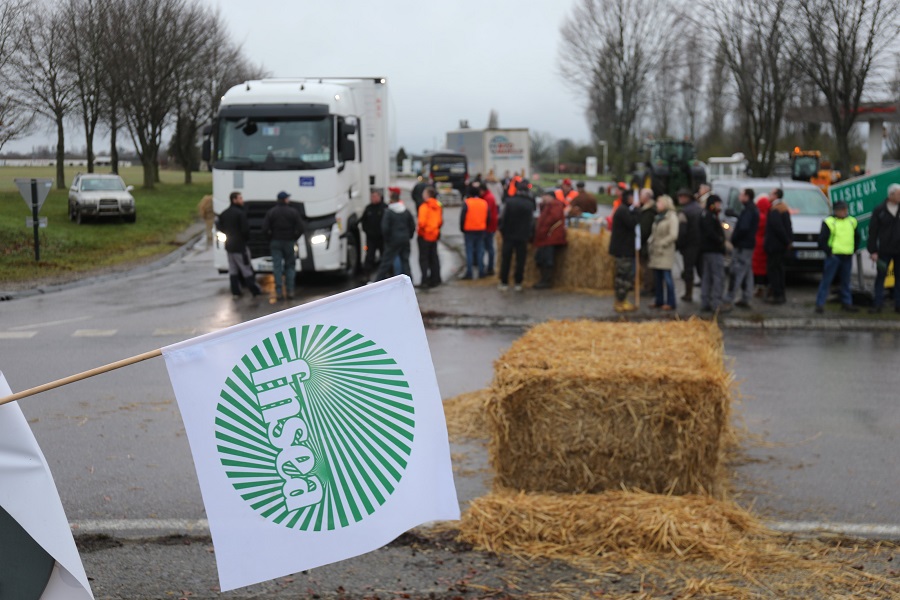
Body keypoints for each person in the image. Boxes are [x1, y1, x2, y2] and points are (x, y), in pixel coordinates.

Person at [815, 200, 859, 313]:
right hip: (834, 256)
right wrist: (829, 252)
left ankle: (847, 303)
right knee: (827, 280)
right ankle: (820, 304)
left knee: (846, 281)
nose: (845, 212)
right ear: (836, 211)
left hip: (847, 255)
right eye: (842, 210)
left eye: (845, 209)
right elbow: (822, 240)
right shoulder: (829, 222)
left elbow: (857, 237)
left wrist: (853, 250)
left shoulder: (852, 221)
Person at [217, 191, 262, 300]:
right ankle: (254, 290)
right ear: (234, 200)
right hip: (240, 246)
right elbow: (245, 230)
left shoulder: (224, 213)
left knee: (233, 269)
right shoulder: (240, 214)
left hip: (229, 246)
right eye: (240, 198)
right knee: (246, 268)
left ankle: (235, 291)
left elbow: (219, 226)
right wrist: (244, 239)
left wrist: (228, 233)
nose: (242, 200)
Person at [866, 183, 900, 313]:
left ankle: (898, 305)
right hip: (883, 251)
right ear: (891, 195)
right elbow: (873, 232)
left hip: (899, 251)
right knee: (881, 277)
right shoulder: (879, 210)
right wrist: (873, 250)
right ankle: (877, 304)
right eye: (898, 194)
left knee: (899, 278)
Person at [723, 188, 760, 309]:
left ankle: (729, 298)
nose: (739, 197)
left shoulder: (749, 210)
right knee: (747, 272)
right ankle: (746, 297)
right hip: (748, 245)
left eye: (741, 195)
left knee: (736, 271)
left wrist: (735, 239)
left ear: (747, 196)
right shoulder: (751, 209)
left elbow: (744, 228)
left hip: (743, 246)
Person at [263, 191, 302, 301]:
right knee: (290, 266)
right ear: (285, 200)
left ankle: (279, 291)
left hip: (275, 241)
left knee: (277, 266)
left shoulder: (271, 212)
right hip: (289, 241)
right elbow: (301, 228)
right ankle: (290, 290)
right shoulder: (293, 212)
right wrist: (294, 237)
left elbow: (265, 229)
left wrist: (270, 239)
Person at [497, 181, 535, 292]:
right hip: (523, 236)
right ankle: (518, 283)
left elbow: (502, 219)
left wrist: (503, 232)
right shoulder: (530, 204)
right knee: (521, 260)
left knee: (506, 260)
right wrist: (529, 234)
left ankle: (504, 282)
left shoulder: (509, 202)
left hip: (509, 235)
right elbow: (531, 222)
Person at [374, 188, 416, 280]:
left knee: (386, 262)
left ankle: (377, 282)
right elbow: (412, 225)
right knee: (405, 262)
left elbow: (385, 228)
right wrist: (409, 235)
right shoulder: (405, 211)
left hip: (393, 240)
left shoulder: (389, 212)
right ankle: (409, 282)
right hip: (405, 239)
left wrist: (387, 239)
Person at [647, 194, 679, 310]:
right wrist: (651, 240)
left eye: (659, 202)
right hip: (656, 250)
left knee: (667, 278)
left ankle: (671, 302)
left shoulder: (672, 217)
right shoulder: (658, 217)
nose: (657, 205)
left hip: (665, 251)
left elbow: (673, 235)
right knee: (657, 278)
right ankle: (659, 300)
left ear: (665, 204)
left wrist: (662, 243)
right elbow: (654, 232)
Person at [608, 189, 637, 311]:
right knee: (623, 276)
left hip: (623, 248)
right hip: (623, 249)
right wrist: (637, 210)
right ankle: (620, 301)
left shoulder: (623, 209)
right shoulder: (623, 210)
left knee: (624, 275)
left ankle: (621, 299)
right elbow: (632, 223)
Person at [533, 189, 567, 289]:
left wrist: (541, 232)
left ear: (549, 197)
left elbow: (549, 220)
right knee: (541, 258)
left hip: (550, 236)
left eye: (544, 196)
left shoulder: (555, 205)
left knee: (547, 259)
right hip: (547, 236)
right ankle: (543, 279)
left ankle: (546, 281)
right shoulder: (549, 206)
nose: (542, 198)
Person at [699, 195, 728, 312]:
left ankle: (705, 301)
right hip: (714, 251)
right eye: (718, 204)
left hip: (706, 251)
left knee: (707, 277)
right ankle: (717, 303)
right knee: (718, 277)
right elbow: (710, 233)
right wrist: (720, 240)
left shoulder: (706, 215)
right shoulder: (709, 216)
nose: (719, 206)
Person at [764, 188, 792, 304]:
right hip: (781, 246)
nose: (769, 196)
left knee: (774, 270)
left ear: (775, 196)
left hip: (775, 246)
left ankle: (777, 294)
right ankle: (780, 294)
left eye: (771, 194)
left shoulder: (775, 209)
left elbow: (778, 228)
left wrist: (786, 241)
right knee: (780, 270)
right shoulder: (783, 207)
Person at [676, 188, 702, 302]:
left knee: (688, 270)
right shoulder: (699, 208)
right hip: (700, 244)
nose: (680, 199)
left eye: (682, 197)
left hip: (689, 245)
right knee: (702, 269)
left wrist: (678, 245)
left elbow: (682, 231)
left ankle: (688, 294)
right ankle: (706, 292)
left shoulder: (684, 212)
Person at [459, 185, 488, 279]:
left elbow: (462, 217)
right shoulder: (484, 203)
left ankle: (469, 272)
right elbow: (488, 217)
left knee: (469, 251)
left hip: (469, 230)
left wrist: (462, 228)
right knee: (480, 251)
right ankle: (481, 271)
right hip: (481, 229)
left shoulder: (467, 203)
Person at [416, 186, 443, 288]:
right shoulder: (438, 205)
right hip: (434, 235)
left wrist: (420, 232)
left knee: (424, 259)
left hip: (425, 236)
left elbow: (421, 223)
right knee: (434, 258)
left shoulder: (424, 206)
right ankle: (436, 278)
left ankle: (424, 281)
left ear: (427, 195)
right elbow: (440, 221)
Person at [361, 189, 387, 275]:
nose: (373, 198)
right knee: (369, 256)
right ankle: (366, 274)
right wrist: (367, 230)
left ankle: (386, 274)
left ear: (380, 197)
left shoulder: (384, 208)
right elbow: (363, 221)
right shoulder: (368, 208)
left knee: (384, 255)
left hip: (382, 238)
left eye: (375, 196)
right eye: (372, 197)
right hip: (371, 238)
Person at [637, 189, 657, 296]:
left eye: (641, 195)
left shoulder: (649, 211)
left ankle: (648, 287)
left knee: (647, 267)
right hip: (646, 242)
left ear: (647, 197)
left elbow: (644, 230)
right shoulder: (646, 209)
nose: (639, 196)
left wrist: (638, 239)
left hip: (646, 243)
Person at [751, 194, 771, 297]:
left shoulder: (759, 216)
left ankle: (759, 287)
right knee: (764, 266)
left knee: (757, 266)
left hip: (757, 243)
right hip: (765, 242)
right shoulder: (768, 216)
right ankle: (764, 286)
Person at [481, 183, 499, 276]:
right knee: (488, 247)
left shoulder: (488, 198)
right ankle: (488, 267)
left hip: (488, 227)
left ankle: (489, 267)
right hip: (490, 226)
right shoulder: (489, 197)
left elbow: (486, 213)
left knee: (487, 247)